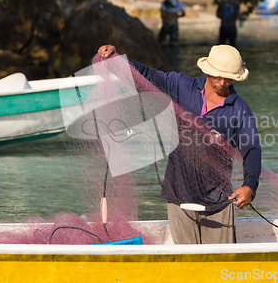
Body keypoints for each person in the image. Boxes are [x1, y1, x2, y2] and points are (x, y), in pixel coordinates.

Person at [97, 44, 261, 244]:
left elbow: (252, 150)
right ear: (207, 70)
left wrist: (249, 187)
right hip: (178, 196)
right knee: (188, 264)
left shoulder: (240, 110)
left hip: (218, 200)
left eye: (228, 77)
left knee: (218, 266)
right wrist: (117, 60)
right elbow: (147, 75)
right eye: (218, 75)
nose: (222, 81)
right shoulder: (181, 86)